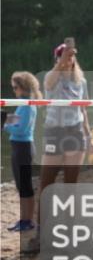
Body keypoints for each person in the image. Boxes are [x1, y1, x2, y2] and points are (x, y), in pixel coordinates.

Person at [25, 41, 93, 254]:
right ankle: (41, 235)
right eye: (63, 56)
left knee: (70, 187)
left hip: (75, 132)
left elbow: (83, 110)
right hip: (55, 132)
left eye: (71, 56)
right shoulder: (52, 77)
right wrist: (61, 62)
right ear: (57, 58)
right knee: (47, 185)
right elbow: (47, 84)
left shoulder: (80, 81)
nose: (68, 59)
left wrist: (89, 136)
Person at [4, 72, 40, 232]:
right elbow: (17, 121)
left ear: (23, 88)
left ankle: (28, 221)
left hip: (23, 147)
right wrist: (4, 118)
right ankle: (24, 219)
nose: (14, 90)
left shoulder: (28, 105)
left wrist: (3, 125)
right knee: (21, 185)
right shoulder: (23, 104)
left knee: (25, 186)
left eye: (15, 87)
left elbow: (21, 129)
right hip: (18, 147)